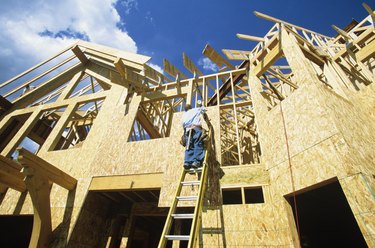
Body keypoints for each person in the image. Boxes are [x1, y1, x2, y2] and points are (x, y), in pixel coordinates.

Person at [181, 101, 209, 170]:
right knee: (197, 144)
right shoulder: (195, 110)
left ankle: (187, 162)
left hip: (187, 131)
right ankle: (196, 162)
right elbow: (203, 110)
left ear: (185, 109)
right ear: (190, 108)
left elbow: (183, 126)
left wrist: (185, 135)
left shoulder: (184, 115)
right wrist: (201, 104)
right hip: (196, 129)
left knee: (189, 146)